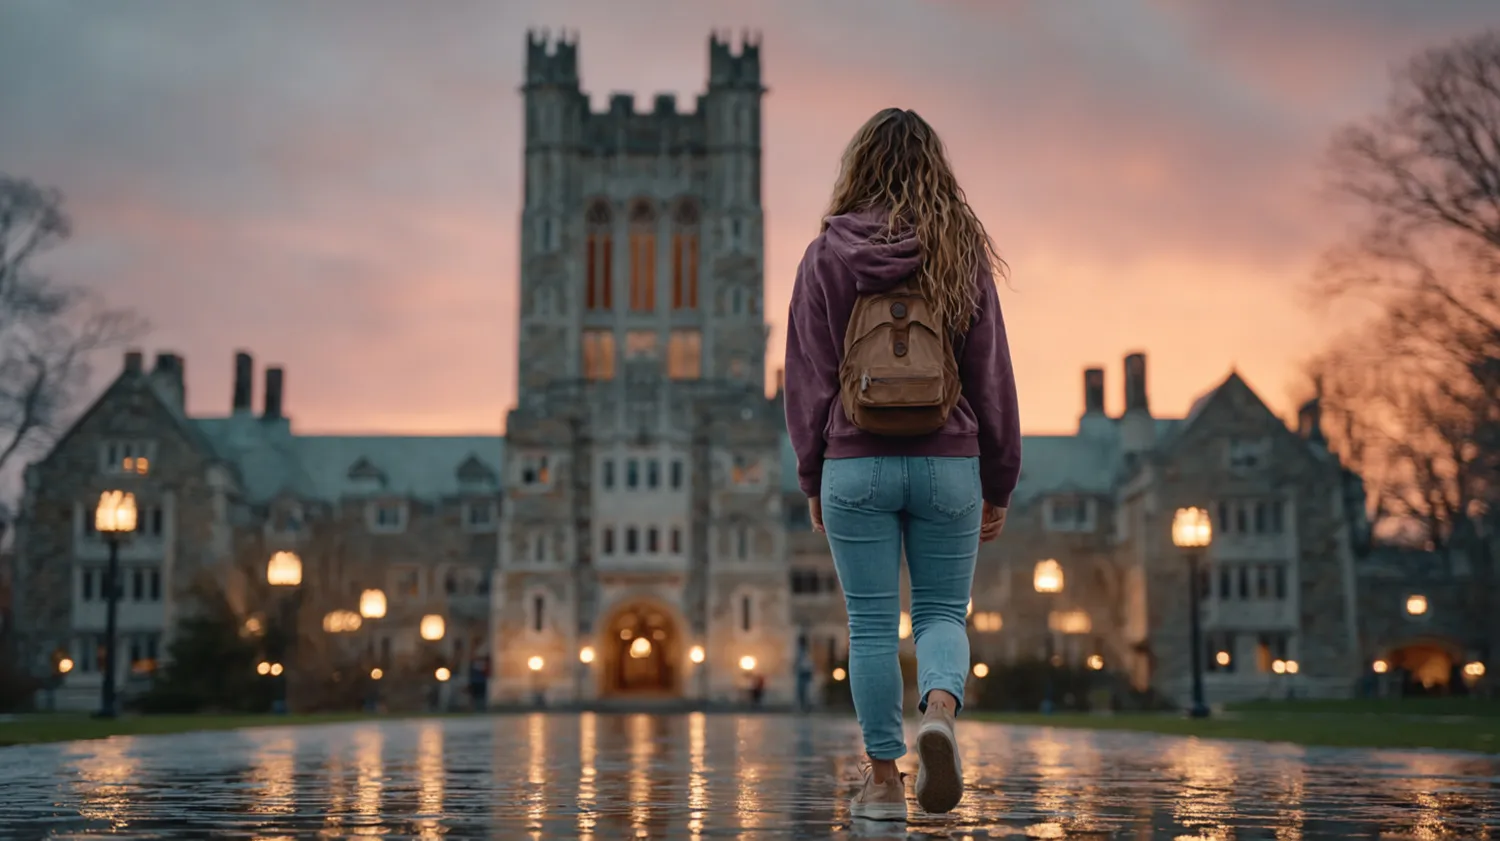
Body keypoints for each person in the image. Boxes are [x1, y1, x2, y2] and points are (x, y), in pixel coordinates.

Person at [784, 107, 1021, 821]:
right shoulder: (960, 249)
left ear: (858, 167)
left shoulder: (826, 254)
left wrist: (812, 475)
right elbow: (991, 375)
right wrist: (999, 478)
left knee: (869, 623)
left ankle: (884, 781)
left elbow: (807, 380)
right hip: (949, 460)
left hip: (855, 461)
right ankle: (939, 712)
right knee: (942, 612)